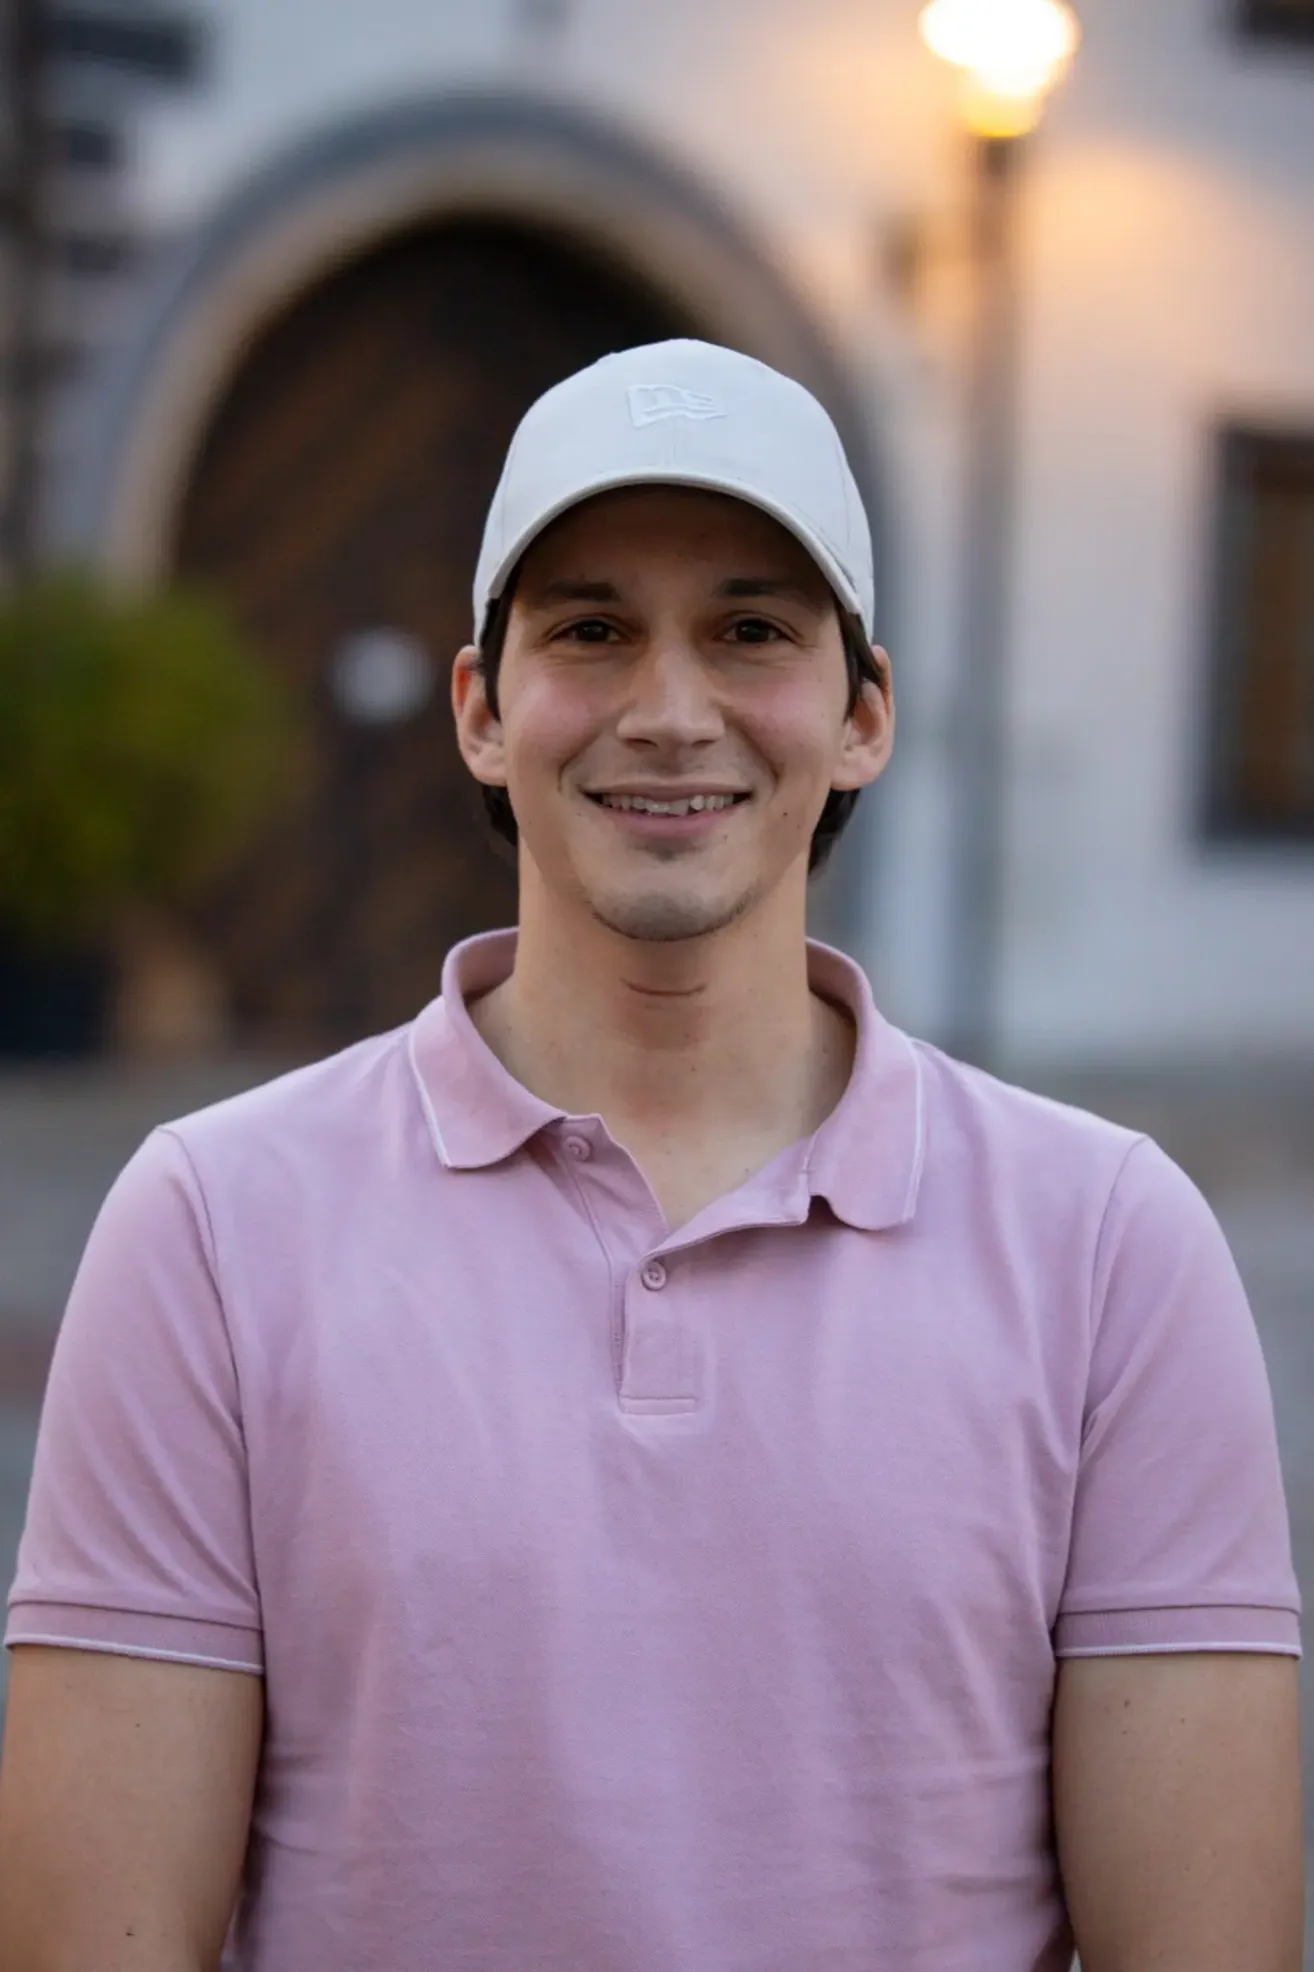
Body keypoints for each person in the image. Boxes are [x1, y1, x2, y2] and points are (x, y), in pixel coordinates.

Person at [0, 339, 1302, 1972]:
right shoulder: (209, 1227)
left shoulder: (1111, 1249)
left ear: (862, 714)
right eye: (591, 630)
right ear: (482, 710)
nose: (668, 711)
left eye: (750, 630)